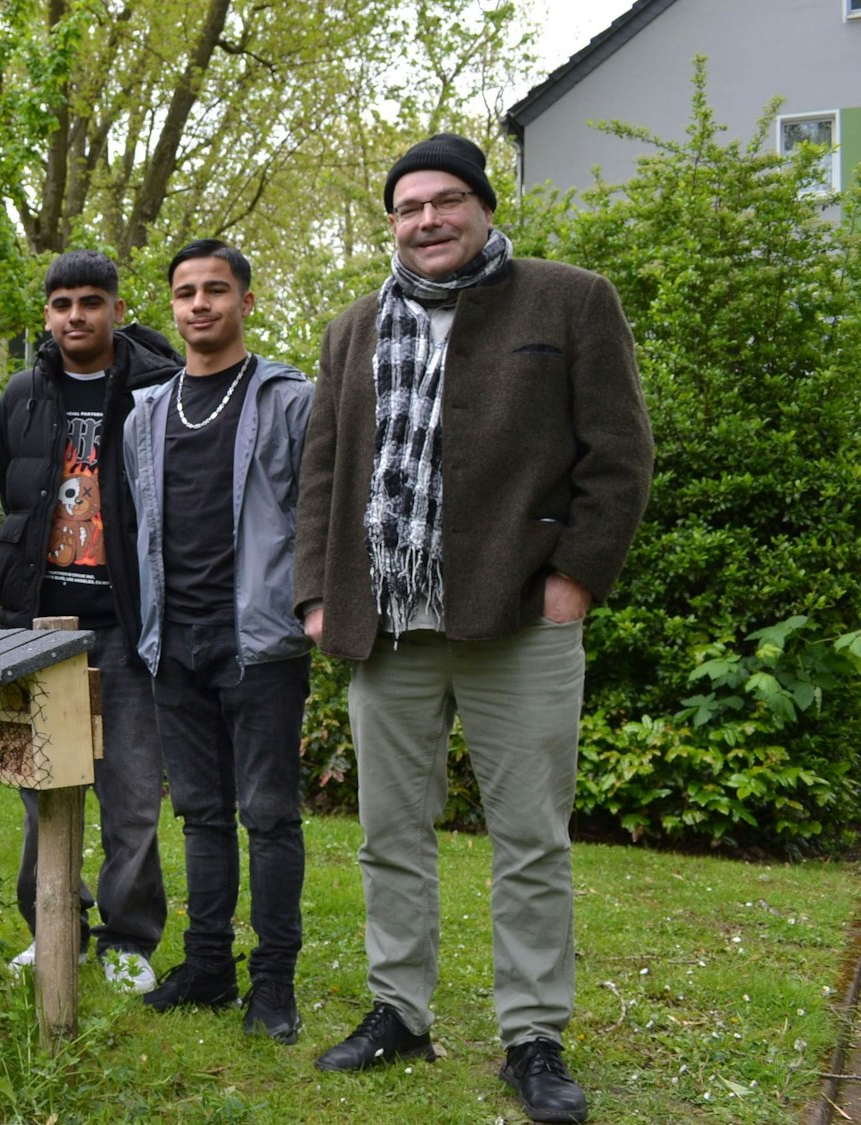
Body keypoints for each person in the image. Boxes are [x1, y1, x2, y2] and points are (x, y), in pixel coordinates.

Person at [296, 134, 652, 1124]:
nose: (425, 221)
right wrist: (316, 598)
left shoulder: (566, 300)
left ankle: (531, 1035)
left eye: (445, 200)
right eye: (406, 207)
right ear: (392, 222)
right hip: (387, 624)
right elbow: (321, 473)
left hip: (517, 616)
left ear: (483, 207)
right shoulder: (353, 328)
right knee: (387, 833)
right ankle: (397, 1011)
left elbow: (617, 455)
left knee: (529, 838)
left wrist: (575, 579)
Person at [121, 239, 314, 1037]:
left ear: (246, 301)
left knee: (268, 813)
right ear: (172, 306)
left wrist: (312, 607)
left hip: (260, 642)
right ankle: (207, 966)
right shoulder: (147, 413)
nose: (199, 304)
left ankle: (273, 984)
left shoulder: (289, 400)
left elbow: (320, 514)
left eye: (215, 291)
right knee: (200, 813)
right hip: (177, 640)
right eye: (185, 293)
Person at [0, 250, 178, 994]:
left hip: (129, 625)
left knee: (131, 792)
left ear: (116, 308)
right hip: (43, 628)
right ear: (48, 314)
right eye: (63, 302)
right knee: (45, 792)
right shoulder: (23, 396)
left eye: (91, 301)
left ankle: (129, 937)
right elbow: (13, 489)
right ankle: (53, 926)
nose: (77, 315)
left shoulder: (156, 390)